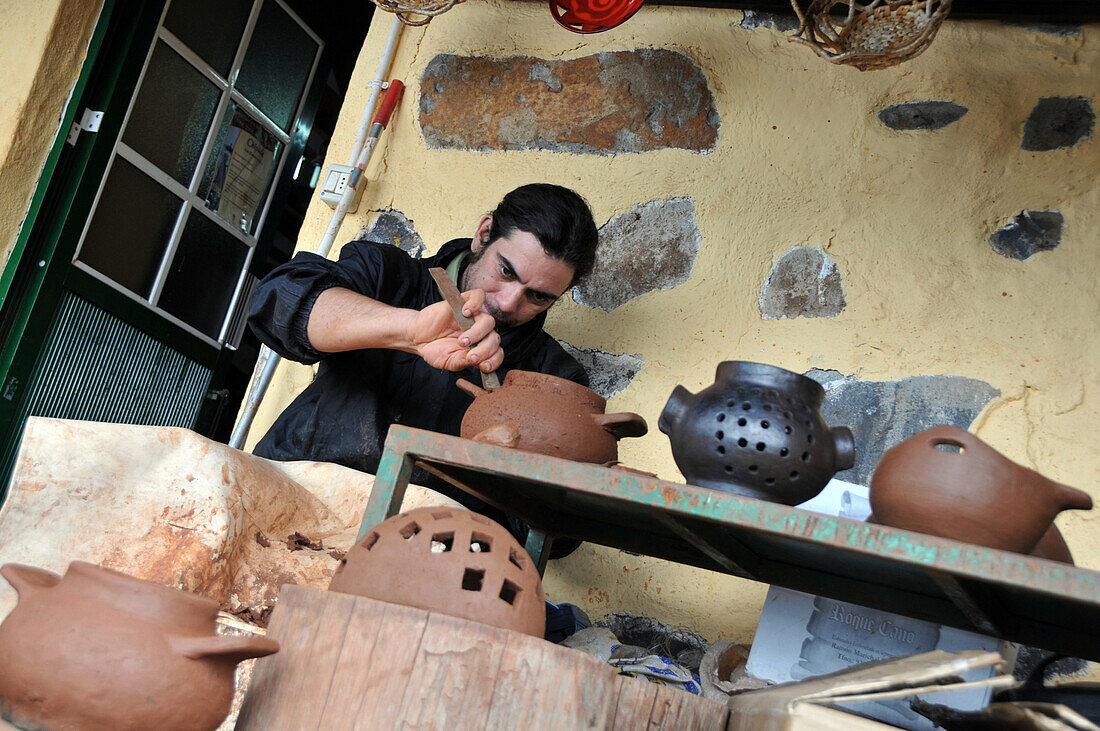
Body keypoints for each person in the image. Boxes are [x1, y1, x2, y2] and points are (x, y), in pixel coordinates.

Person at [247, 183, 598, 537]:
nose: (509, 303)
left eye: (537, 297)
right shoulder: (387, 272)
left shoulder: (555, 378)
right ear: (484, 234)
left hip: (425, 551)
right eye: (506, 272)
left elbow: (561, 532)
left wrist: (504, 473)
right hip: (298, 495)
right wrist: (409, 330)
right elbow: (279, 300)